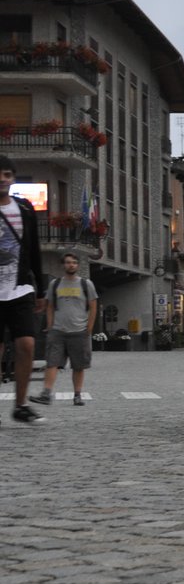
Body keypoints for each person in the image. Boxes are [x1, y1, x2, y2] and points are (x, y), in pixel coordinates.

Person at [0, 154, 46, 425]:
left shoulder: (25, 209)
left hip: (20, 287)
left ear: (13, 179)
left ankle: (21, 405)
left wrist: (39, 289)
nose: (2, 179)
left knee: (27, 344)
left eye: (7, 175)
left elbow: (34, 250)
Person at [33, 251, 97, 407]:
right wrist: (49, 325)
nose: (71, 265)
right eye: (68, 262)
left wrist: (89, 328)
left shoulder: (86, 284)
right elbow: (49, 306)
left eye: (74, 262)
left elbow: (93, 306)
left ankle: (77, 395)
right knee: (52, 363)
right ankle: (46, 394)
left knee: (78, 365)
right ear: (63, 265)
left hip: (79, 331)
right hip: (58, 331)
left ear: (77, 265)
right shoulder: (54, 284)